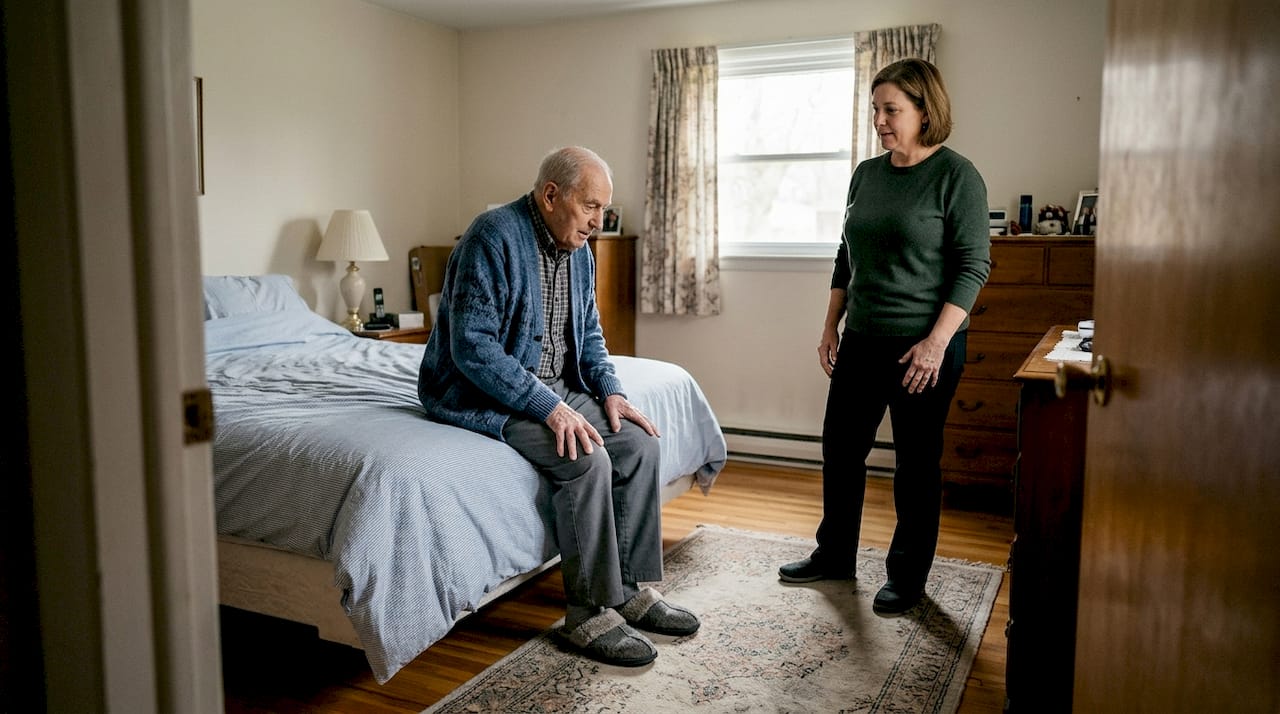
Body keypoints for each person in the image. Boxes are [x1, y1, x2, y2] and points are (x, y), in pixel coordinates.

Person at [417, 146, 699, 667]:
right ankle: (587, 613)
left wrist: (610, 389)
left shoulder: (580, 251)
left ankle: (630, 590)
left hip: (552, 385)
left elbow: (589, 335)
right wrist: (547, 406)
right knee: (585, 457)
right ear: (551, 195)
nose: (598, 220)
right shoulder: (491, 236)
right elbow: (472, 347)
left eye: (603, 210)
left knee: (637, 443)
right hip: (481, 391)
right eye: (590, 206)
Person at [778, 58, 992, 616]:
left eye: (891, 109)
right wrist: (830, 323)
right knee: (840, 451)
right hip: (862, 338)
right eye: (875, 109)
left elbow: (973, 266)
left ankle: (908, 575)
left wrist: (937, 343)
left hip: (924, 347)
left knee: (915, 465)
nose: (879, 120)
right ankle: (834, 554)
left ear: (925, 111)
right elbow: (847, 255)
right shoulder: (866, 174)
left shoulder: (957, 176)